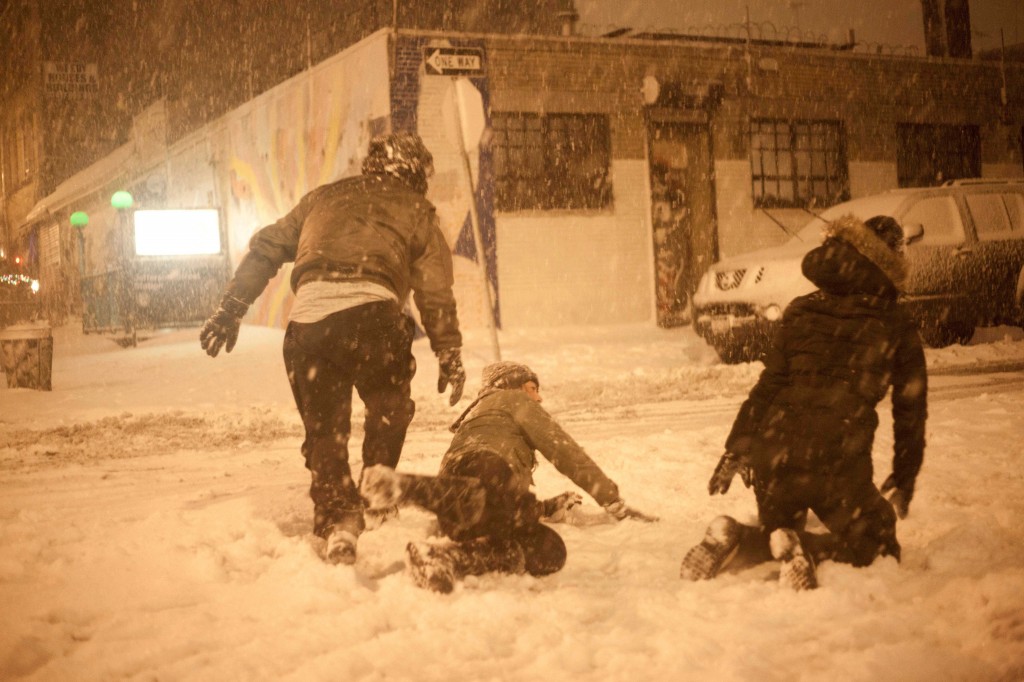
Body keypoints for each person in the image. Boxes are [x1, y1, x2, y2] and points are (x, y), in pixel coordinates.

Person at [199, 132, 466, 565]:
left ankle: (336, 520)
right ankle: (376, 492)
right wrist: (448, 350)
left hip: (309, 328)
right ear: (415, 174)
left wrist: (232, 307)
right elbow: (434, 289)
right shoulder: (417, 209)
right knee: (388, 408)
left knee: (326, 432)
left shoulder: (321, 198)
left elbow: (266, 249)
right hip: (376, 321)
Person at [680, 214, 928, 590]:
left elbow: (770, 385)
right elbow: (910, 409)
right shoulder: (894, 321)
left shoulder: (802, 308)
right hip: (837, 457)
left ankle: (744, 536)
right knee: (877, 546)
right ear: (892, 259)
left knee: (778, 527)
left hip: (773, 452)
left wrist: (739, 447)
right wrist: (906, 474)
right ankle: (807, 547)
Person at [359, 361, 656, 593]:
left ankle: (444, 558)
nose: (538, 398)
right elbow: (565, 452)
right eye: (532, 388)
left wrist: (542, 508)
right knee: (483, 498)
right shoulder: (512, 400)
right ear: (512, 385)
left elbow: (501, 505)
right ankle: (405, 487)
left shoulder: (476, 416)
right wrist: (612, 499)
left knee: (546, 551)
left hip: (461, 493)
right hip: (489, 468)